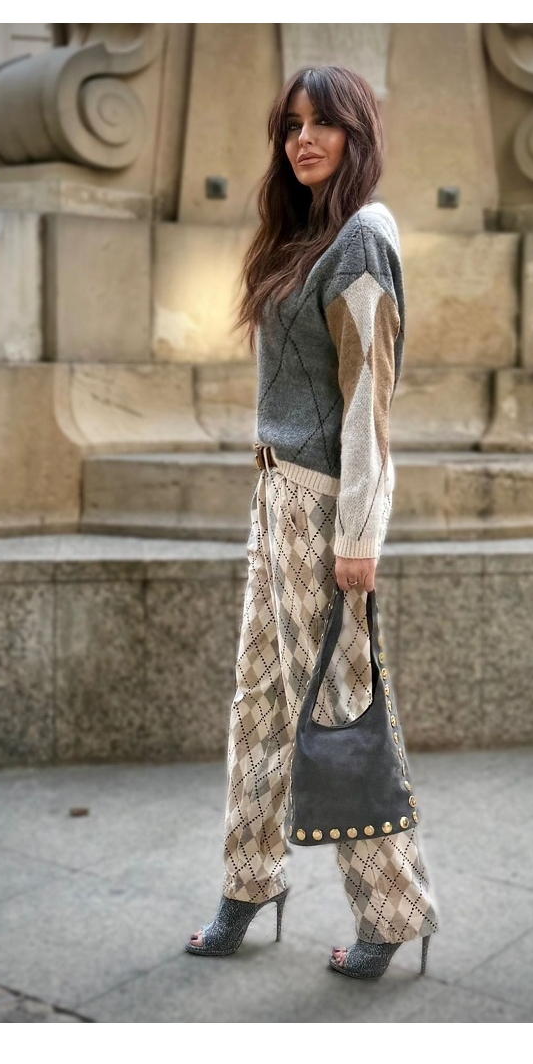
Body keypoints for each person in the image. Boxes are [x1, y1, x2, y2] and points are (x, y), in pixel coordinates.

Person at [185, 65, 439, 980]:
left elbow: (369, 400)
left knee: (339, 708)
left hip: (324, 506)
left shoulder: (362, 240)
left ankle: (393, 907)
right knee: (258, 702)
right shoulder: (302, 235)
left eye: (323, 123)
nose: (303, 139)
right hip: (274, 498)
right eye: (292, 124)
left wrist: (360, 537)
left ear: (355, 133)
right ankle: (248, 881)